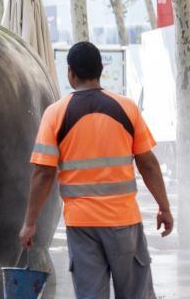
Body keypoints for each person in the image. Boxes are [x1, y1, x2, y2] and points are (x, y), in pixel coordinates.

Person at [20, 41, 174, 299]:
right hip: (124, 222)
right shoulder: (127, 108)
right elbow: (148, 164)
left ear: (70, 72)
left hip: (82, 225)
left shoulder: (55, 114)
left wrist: (29, 223)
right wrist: (164, 207)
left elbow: (43, 174)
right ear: (101, 68)